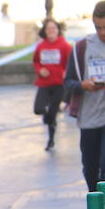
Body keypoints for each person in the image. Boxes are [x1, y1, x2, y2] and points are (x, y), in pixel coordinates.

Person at [65, 0, 105, 191]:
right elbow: (68, 82)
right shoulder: (82, 47)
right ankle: (95, 206)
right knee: (90, 169)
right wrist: (83, 85)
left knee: (104, 169)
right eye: (98, 27)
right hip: (89, 118)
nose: (102, 32)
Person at [33, 18, 72, 151]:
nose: (51, 31)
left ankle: (51, 140)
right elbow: (36, 62)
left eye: (54, 28)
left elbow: (71, 63)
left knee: (52, 114)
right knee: (39, 109)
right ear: (44, 31)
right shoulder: (40, 46)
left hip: (59, 84)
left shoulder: (65, 46)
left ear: (58, 30)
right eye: (48, 29)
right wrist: (40, 70)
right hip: (44, 83)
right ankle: (48, 116)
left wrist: (66, 72)